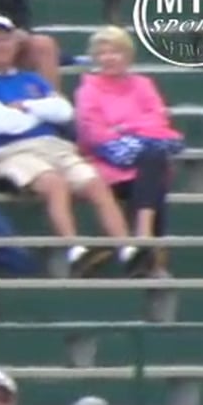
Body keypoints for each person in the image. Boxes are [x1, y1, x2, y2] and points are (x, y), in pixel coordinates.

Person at [0, 16, 137, 277]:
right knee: (53, 182)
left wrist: (27, 107)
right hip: (11, 152)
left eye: (5, 39)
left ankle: (128, 249)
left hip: (55, 146)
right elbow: (2, 124)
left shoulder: (32, 80)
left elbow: (64, 111)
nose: (1, 45)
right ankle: (74, 249)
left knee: (95, 183)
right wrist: (41, 111)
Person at [75, 26, 181, 279]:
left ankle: (143, 241)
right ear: (95, 58)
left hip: (143, 161)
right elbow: (93, 132)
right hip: (106, 164)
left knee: (153, 160)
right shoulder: (88, 90)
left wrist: (124, 128)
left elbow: (159, 120)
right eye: (102, 53)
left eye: (115, 52)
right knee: (154, 174)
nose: (109, 58)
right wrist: (133, 131)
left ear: (127, 55)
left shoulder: (143, 85)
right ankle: (150, 257)